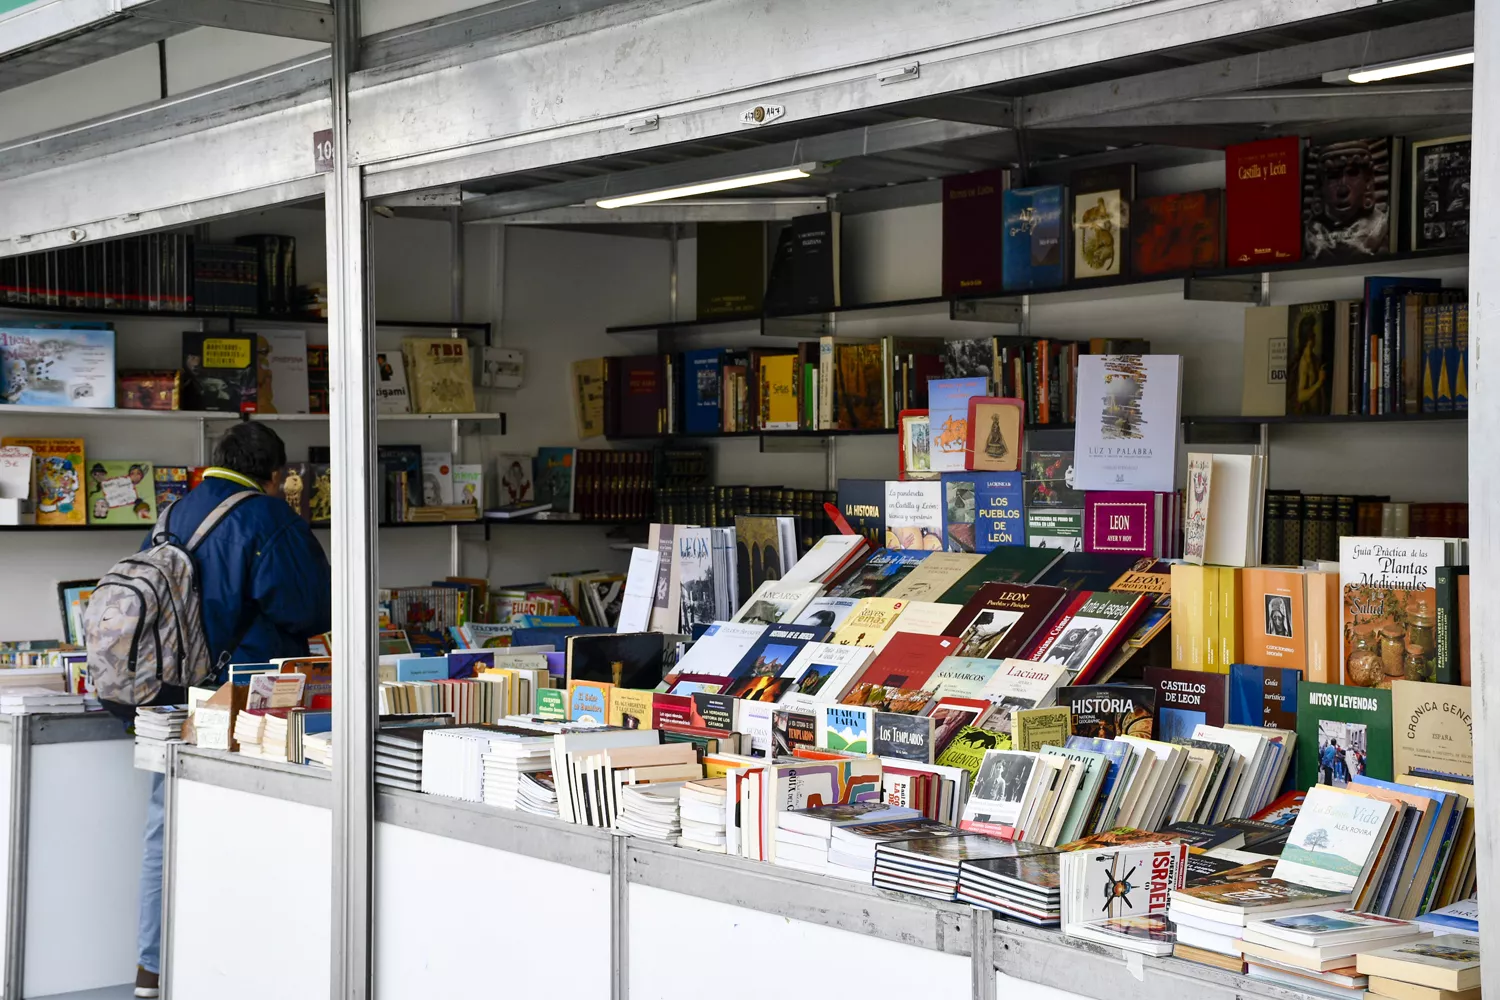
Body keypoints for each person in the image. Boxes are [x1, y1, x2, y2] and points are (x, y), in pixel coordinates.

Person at [111, 423, 332, 998]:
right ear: (276, 473)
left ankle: (153, 969)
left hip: (172, 698)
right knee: (263, 828)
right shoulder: (271, 519)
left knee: (169, 826)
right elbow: (308, 609)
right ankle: (246, 968)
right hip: (248, 697)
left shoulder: (172, 515)